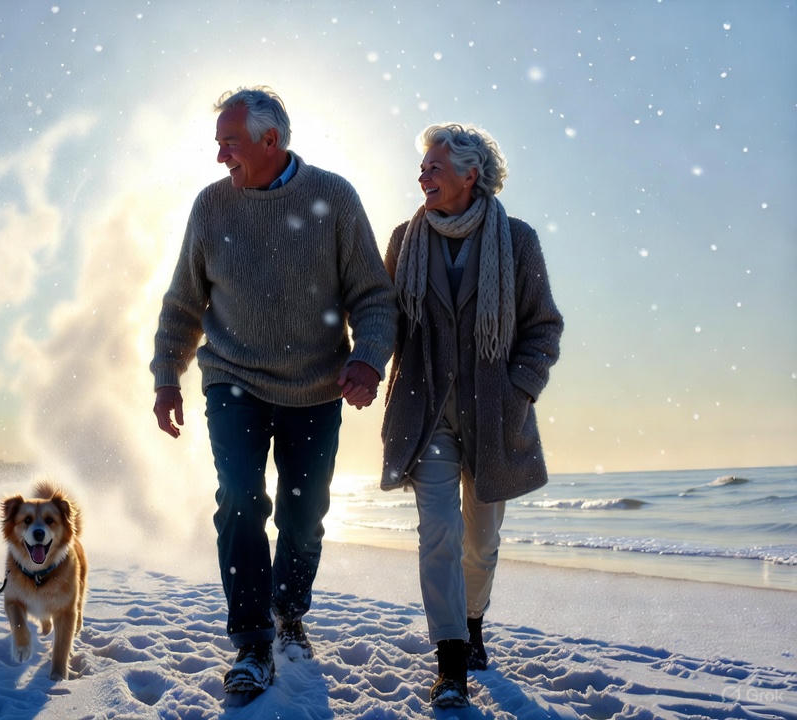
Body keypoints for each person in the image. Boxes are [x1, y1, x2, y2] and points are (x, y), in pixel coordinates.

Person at [150, 86, 397, 704]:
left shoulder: (334, 198)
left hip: (317, 385)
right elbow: (184, 301)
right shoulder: (210, 207)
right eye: (217, 145)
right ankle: (252, 641)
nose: (220, 158)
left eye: (229, 144)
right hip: (232, 378)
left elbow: (373, 296)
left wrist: (367, 359)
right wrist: (165, 375)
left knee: (303, 514)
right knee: (239, 496)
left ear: (271, 141)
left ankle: (290, 614)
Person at [380, 124, 563, 707]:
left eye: (435, 167)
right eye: (423, 167)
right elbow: (387, 324)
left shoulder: (518, 241)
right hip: (425, 413)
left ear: (470, 174)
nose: (423, 176)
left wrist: (520, 389)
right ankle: (451, 660)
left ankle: (473, 618)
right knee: (439, 532)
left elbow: (543, 328)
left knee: (480, 543)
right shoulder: (403, 241)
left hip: (494, 418)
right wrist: (361, 365)